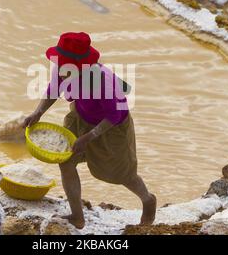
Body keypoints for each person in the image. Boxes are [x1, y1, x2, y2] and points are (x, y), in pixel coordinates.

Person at [23, 32, 156, 229]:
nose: (60, 69)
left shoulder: (103, 81)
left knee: (122, 174)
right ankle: (78, 216)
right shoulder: (63, 68)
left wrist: (89, 136)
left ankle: (148, 199)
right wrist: (38, 112)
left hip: (112, 127)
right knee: (66, 161)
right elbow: (54, 89)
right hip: (81, 117)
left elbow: (114, 115)